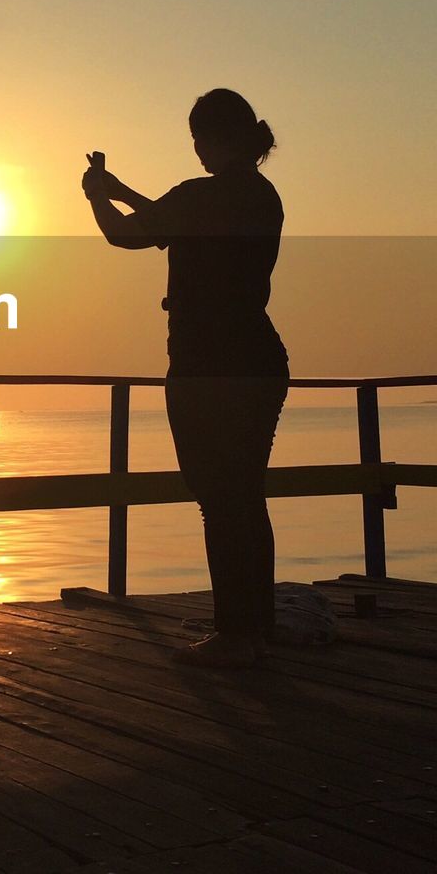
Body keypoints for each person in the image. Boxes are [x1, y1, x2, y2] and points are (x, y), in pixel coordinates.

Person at [83, 88, 288, 669]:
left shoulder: (202, 196)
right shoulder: (260, 196)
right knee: (245, 495)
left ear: (213, 138)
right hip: (259, 358)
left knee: (218, 497)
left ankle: (233, 634)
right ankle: (256, 629)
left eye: (197, 139)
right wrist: (118, 189)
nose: (195, 150)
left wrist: (98, 200)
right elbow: (173, 224)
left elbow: (127, 234)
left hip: (206, 362)